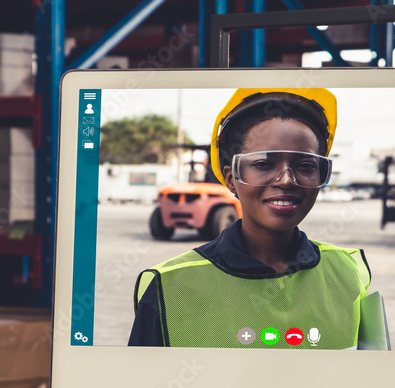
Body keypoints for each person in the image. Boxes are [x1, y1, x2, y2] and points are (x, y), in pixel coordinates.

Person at [128, 88, 371, 349]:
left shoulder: (349, 272)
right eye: (264, 164)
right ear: (231, 179)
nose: (287, 180)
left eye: (305, 166)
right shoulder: (169, 286)